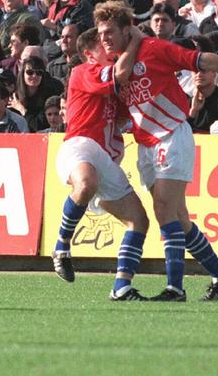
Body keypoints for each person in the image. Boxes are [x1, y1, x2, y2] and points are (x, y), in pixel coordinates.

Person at [96, 0, 218, 301]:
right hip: (146, 145)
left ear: (127, 30)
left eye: (110, 32)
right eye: (101, 33)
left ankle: (175, 288)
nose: (104, 38)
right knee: (179, 218)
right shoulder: (114, 66)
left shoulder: (153, 49)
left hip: (172, 134)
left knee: (164, 210)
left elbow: (202, 60)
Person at [52, 26, 150, 301]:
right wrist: (137, 40)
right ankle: (61, 245)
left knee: (139, 221)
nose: (108, 48)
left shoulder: (112, 86)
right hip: (79, 145)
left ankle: (122, 287)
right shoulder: (83, 72)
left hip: (106, 158)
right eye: (101, 45)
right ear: (88, 54)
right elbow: (119, 73)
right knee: (86, 183)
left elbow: (123, 113)